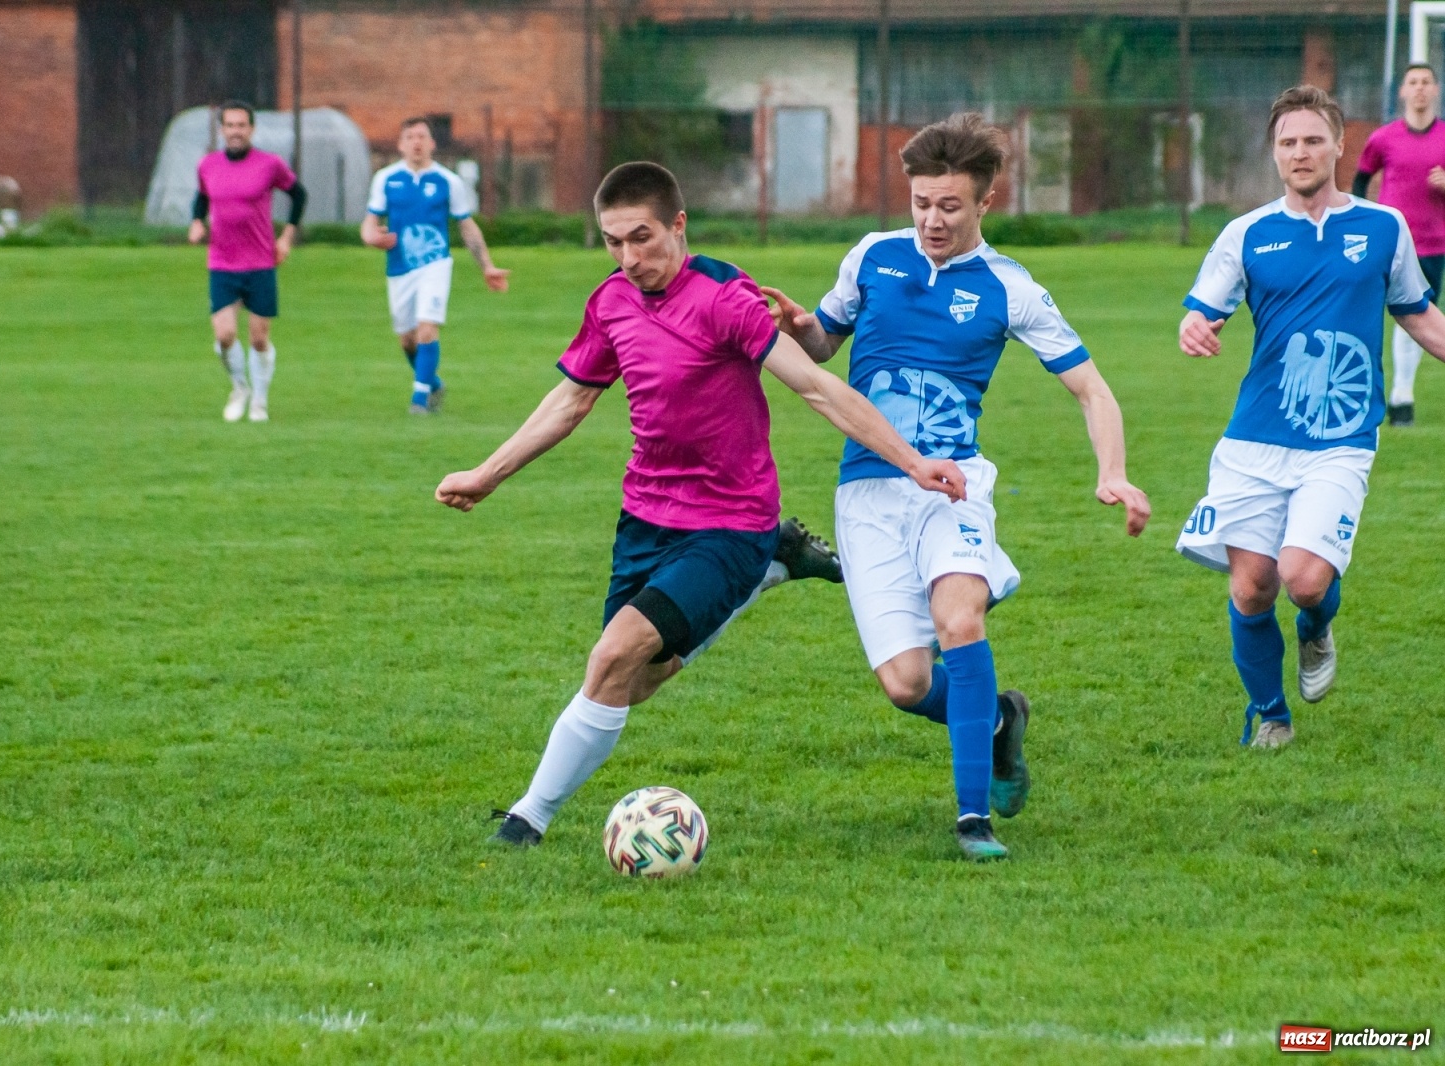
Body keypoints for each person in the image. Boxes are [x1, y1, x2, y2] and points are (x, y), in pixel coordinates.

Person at [437, 162, 967, 848]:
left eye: (643, 238)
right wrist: (487, 474)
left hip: (730, 520)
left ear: (678, 225)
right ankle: (772, 570)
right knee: (632, 683)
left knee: (610, 657)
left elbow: (814, 386)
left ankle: (526, 820)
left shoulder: (724, 297)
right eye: (612, 242)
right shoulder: (611, 302)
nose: (629, 258)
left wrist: (913, 462)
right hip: (646, 517)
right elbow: (572, 400)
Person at [763, 114, 1149, 861]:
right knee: (907, 684)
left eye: (950, 206)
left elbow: (1093, 391)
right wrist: (802, 325)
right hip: (869, 492)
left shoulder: (1011, 287)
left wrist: (1114, 473)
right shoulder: (872, 258)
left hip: (954, 485)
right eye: (921, 204)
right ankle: (1000, 723)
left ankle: (974, 820)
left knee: (960, 618)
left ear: (985, 202)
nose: (932, 220)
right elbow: (820, 349)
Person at [1177, 85, 1445, 749]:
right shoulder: (1247, 234)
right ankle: (1270, 714)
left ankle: (1317, 625)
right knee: (1251, 586)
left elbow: (1415, 312)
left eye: (1312, 140)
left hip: (1341, 435)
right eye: (1288, 143)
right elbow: (1202, 310)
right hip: (1256, 436)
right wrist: (1194, 327)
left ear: (1337, 147)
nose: (1300, 153)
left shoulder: (1384, 228)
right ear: (1275, 154)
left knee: (1302, 580)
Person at [361, 118, 508, 414]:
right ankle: (433, 383)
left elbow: (466, 226)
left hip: (435, 264)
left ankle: (420, 400)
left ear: (432, 143)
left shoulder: (448, 182)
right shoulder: (386, 179)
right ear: (401, 144)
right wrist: (371, 237)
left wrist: (487, 266)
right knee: (407, 339)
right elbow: (370, 222)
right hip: (400, 267)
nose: (416, 142)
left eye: (422, 136)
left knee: (427, 328)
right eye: (410, 137)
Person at [188, 101, 307, 423]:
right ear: (222, 130)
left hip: (259, 261)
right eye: (230, 125)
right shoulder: (208, 165)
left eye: (241, 125)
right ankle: (240, 387)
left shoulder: (269, 165)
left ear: (251, 129)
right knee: (225, 335)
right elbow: (201, 197)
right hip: (222, 262)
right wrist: (197, 221)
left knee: (258, 337)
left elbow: (299, 194)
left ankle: (260, 401)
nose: (236, 131)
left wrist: (286, 237)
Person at [1352, 63, 1445, 426]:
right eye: (1413, 82)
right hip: (1392, 243)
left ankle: (1401, 395)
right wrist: (1363, 223)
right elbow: (1360, 182)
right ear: (1402, 92)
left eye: (1426, 82)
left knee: (1420, 312)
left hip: (1435, 242)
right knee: (1388, 312)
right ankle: (1385, 394)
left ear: (1436, 90)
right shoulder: (1383, 138)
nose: (1420, 89)